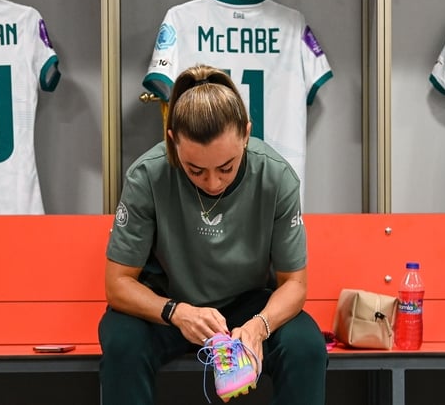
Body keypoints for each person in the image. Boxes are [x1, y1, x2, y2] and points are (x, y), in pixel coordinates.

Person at [98, 64, 328, 404]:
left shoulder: (277, 177)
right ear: (174, 141)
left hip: (247, 304)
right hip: (169, 305)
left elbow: (294, 283)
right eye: (195, 170)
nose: (213, 182)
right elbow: (117, 284)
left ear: (247, 134)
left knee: (306, 346)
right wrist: (176, 312)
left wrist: (258, 327)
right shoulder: (146, 176)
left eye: (226, 167)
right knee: (122, 343)